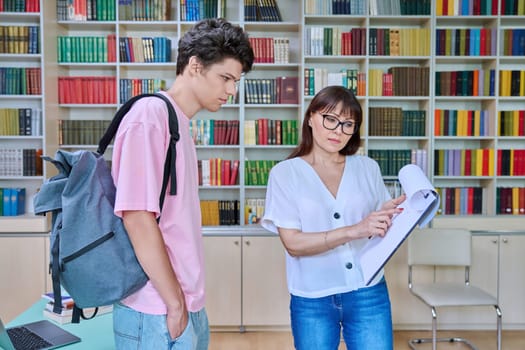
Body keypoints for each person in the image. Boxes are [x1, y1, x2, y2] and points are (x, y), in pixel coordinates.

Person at [111, 18, 254, 350]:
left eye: (237, 81)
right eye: (226, 78)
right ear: (194, 66)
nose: (232, 91)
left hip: (182, 304)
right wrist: (174, 303)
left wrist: (185, 303)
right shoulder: (149, 116)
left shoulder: (180, 124)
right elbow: (136, 216)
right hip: (156, 308)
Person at [261, 85, 406, 350]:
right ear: (310, 118)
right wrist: (355, 230)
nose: (338, 131)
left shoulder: (367, 167)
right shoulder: (285, 174)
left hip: (368, 291)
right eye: (330, 119)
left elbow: (376, 227)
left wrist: (397, 213)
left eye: (347, 124)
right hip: (312, 298)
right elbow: (293, 244)